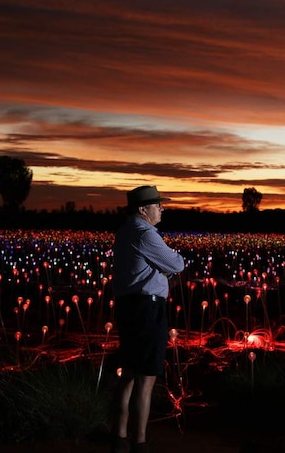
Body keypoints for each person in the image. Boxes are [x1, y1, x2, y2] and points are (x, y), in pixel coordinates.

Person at [110, 185, 185, 453]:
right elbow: (177, 264)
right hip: (146, 311)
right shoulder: (145, 235)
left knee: (129, 373)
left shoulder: (124, 232)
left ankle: (119, 438)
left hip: (128, 307)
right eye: (157, 205)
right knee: (146, 378)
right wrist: (165, 271)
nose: (161, 208)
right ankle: (139, 442)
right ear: (143, 210)